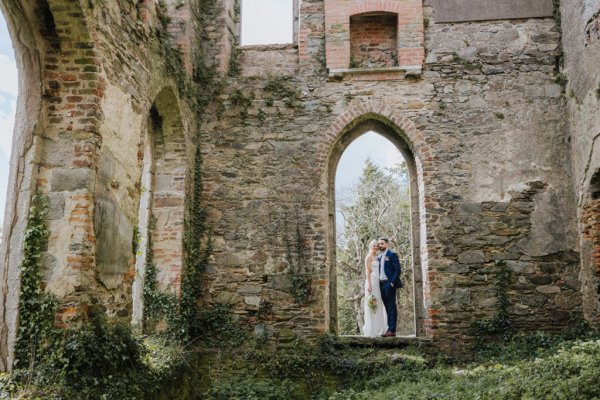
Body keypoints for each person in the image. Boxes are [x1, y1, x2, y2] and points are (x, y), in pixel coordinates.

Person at [362, 240, 388, 337]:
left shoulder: (378, 257)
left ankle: (379, 328)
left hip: (378, 283)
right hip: (371, 282)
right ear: (370, 246)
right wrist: (369, 285)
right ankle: (371, 329)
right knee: (371, 303)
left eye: (377, 246)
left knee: (378, 303)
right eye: (374, 245)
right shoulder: (368, 257)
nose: (376, 247)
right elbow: (368, 272)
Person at [378, 237, 402, 337]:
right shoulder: (379, 257)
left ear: (387, 244)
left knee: (391, 307)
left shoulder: (392, 255)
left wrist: (392, 283)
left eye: (382, 243)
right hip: (381, 284)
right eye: (379, 244)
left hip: (389, 283)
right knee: (387, 307)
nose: (380, 245)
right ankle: (389, 329)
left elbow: (398, 269)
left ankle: (392, 330)